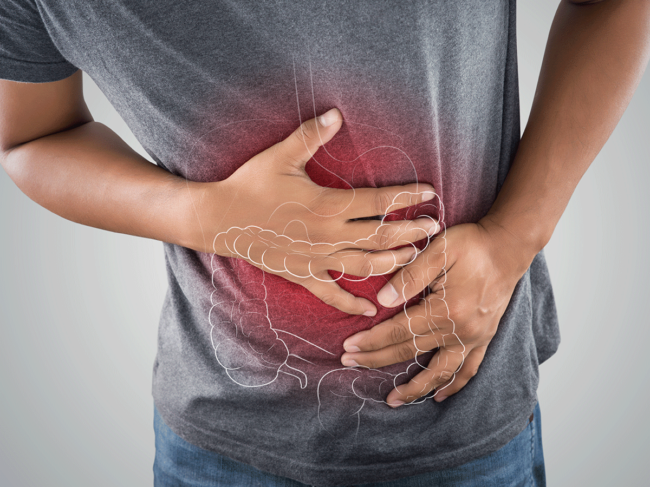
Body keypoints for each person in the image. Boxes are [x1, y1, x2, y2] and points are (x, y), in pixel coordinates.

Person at [1, 0, 648, 485]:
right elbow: (30, 139)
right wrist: (204, 215)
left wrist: (514, 237)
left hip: (461, 424)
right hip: (220, 442)